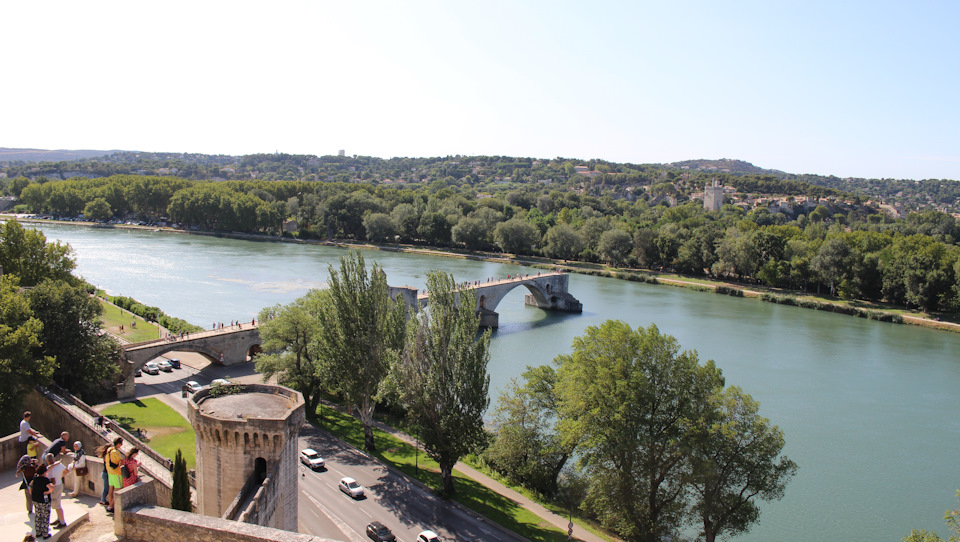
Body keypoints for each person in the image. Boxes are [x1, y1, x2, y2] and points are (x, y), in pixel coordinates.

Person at [43, 454, 67, 529]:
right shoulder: (60, 465)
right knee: (57, 504)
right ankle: (59, 519)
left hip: (55, 487)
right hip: (60, 485)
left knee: (57, 505)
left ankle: (62, 522)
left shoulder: (49, 469)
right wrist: (60, 477)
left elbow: (52, 481)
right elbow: (66, 471)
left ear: (46, 461)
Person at [31, 463, 53, 539]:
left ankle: (38, 532)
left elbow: (31, 486)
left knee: (38, 516)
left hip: (35, 499)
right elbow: (51, 488)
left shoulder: (35, 478)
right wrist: (48, 492)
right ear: (44, 472)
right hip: (44, 501)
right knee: (45, 516)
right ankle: (45, 534)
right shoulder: (45, 480)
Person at [104, 437, 124, 513]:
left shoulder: (109, 450)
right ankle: (110, 506)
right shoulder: (115, 452)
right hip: (116, 473)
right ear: (118, 444)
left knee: (111, 490)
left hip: (110, 473)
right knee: (118, 490)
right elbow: (121, 462)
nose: (121, 446)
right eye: (121, 444)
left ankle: (111, 505)